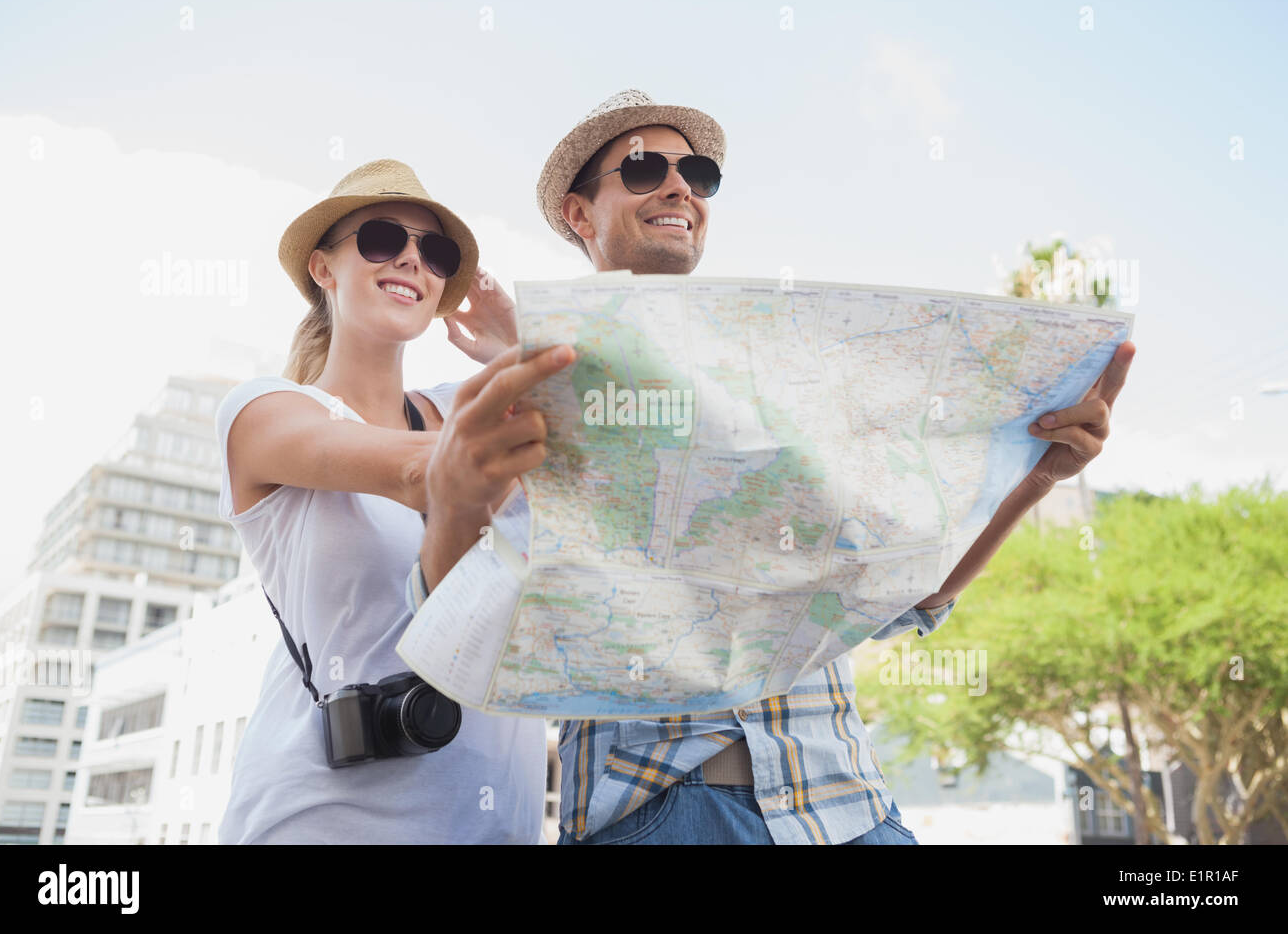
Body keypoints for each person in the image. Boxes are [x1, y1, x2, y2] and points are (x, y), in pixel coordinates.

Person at [417, 90, 1136, 845]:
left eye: (697, 173)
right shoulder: (521, 401)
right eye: (641, 169)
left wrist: (1040, 480)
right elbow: (452, 625)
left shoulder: (795, 388)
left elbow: (912, 596)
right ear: (577, 213)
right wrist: (454, 497)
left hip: (851, 811)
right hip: (664, 816)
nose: (678, 187)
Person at [215, 159, 561, 843]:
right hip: (326, 822)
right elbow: (416, 474)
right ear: (323, 268)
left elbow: (617, 469)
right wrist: (527, 396)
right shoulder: (264, 412)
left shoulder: (458, 410)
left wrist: (517, 343)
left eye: (435, 252)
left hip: (497, 823)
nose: (411, 258)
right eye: (381, 239)